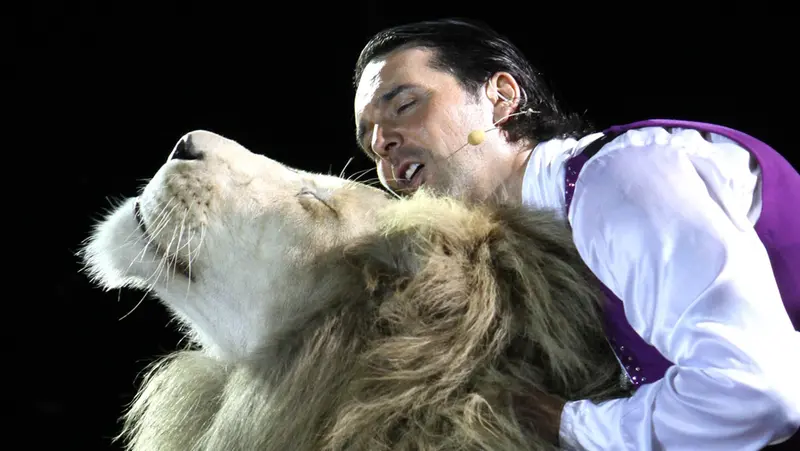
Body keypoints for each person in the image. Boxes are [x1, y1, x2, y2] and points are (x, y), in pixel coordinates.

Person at [352, 18, 799, 450]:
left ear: (502, 97)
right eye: (368, 139)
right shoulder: (528, 266)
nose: (381, 142)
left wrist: (565, 424)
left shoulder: (622, 180)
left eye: (404, 105)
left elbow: (756, 392)